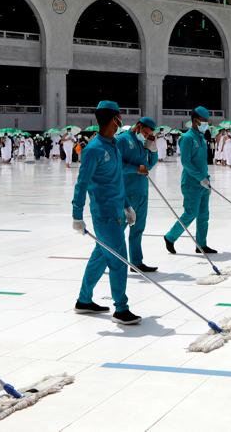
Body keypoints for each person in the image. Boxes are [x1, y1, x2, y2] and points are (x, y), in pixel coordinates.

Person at [70, 101, 140, 326]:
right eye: (119, 116)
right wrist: (77, 215)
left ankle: (84, 300)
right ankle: (121, 308)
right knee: (119, 261)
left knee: (100, 257)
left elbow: (118, 179)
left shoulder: (113, 145)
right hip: (105, 215)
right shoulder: (93, 150)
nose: (121, 120)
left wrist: (127, 204)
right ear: (113, 119)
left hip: (118, 211)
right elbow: (81, 184)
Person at [164, 107, 216, 254]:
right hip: (191, 183)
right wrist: (200, 178)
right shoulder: (187, 138)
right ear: (195, 121)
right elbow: (186, 162)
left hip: (204, 182)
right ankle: (170, 237)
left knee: (204, 215)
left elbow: (202, 162)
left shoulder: (201, 137)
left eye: (207, 121)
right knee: (190, 213)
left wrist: (206, 179)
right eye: (203, 121)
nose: (206, 123)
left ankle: (201, 245)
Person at [115, 116, 159, 273]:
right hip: (128, 193)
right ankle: (106, 259)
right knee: (117, 231)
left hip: (141, 193)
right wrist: (135, 169)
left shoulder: (141, 143)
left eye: (149, 135)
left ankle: (136, 262)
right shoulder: (123, 140)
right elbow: (116, 165)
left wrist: (152, 149)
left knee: (138, 229)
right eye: (146, 133)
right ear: (139, 126)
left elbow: (148, 166)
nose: (146, 136)